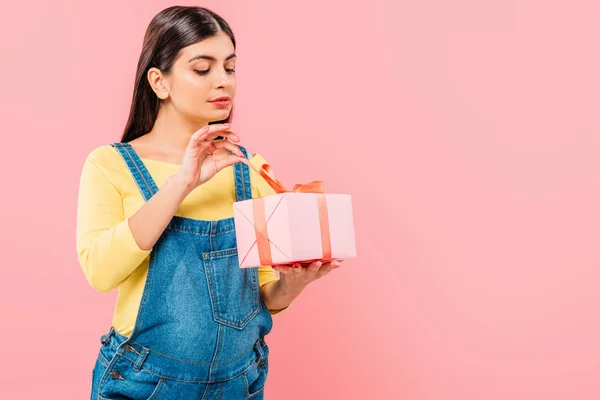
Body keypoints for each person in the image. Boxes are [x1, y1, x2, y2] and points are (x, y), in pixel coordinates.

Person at [76, 5, 341, 399]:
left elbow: (261, 294)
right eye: (203, 69)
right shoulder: (111, 164)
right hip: (146, 384)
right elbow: (100, 272)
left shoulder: (246, 169)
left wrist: (291, 285)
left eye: (230, 68)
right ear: (159, 81)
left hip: (239, 382)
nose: (223, 82)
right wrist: (183, 182)